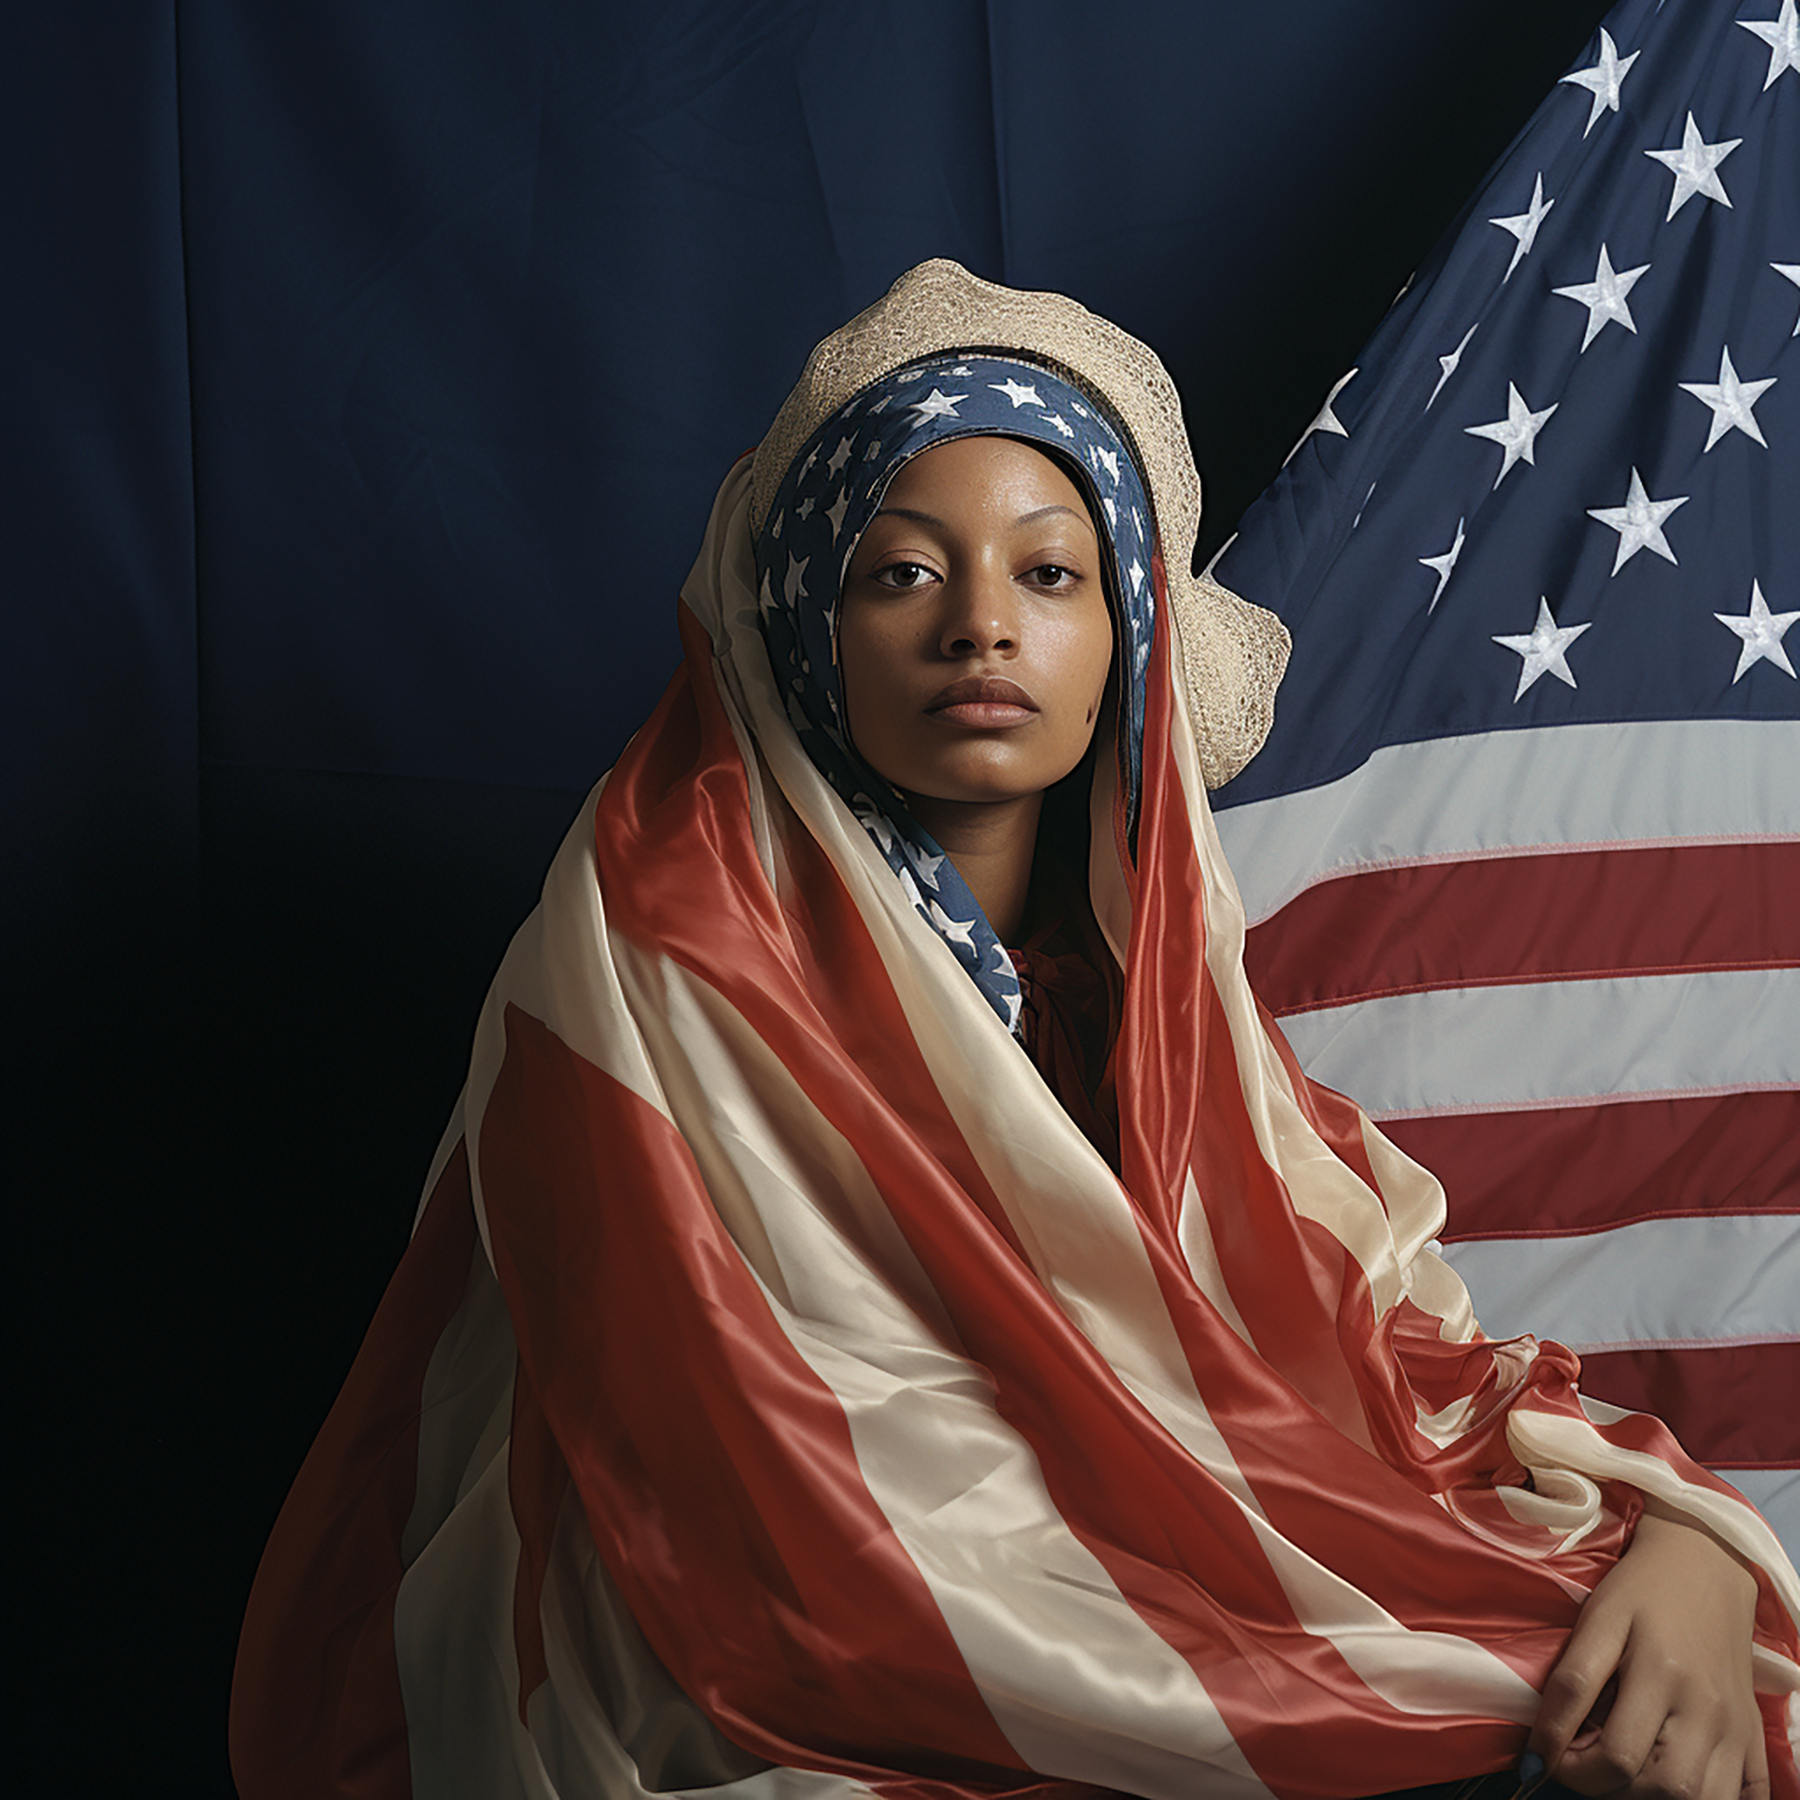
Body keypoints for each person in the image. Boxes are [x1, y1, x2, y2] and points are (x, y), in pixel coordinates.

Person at [230, 260, 1800, 1800]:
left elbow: (1386, 1346)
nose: (980, 625)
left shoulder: (1152, 1000)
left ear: (1125, 632)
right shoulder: (659, 949)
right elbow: (773, 1498)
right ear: (808, 626)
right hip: (778, 1649)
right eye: (902, 571)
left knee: (1662, 1694)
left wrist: (1684, 1539)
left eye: (1050, 572)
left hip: (1132, 1603)